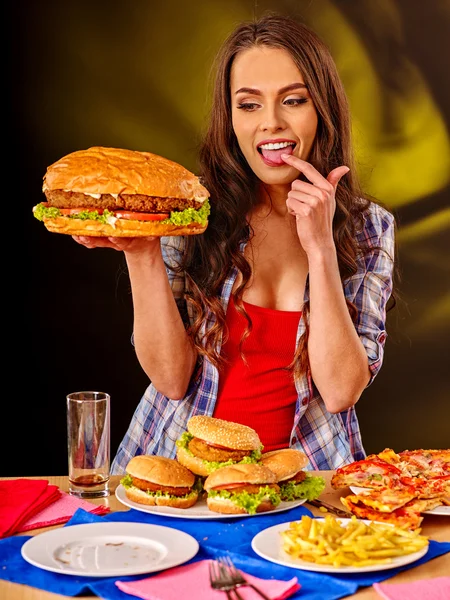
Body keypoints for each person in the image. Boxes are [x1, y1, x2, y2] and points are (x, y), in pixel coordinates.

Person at [73, 13, 396, 473]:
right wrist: (141, 250)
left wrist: (321, 248)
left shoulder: (369, 229)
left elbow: (342, 390)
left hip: (301, 484)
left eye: (293, 100)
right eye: (249, 105)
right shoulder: (191, 214)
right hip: (179, 478)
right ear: (230, 118)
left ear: (322, 109)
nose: (271, 123)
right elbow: (171, 379)